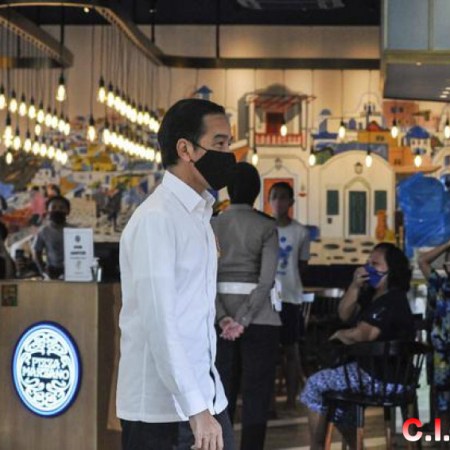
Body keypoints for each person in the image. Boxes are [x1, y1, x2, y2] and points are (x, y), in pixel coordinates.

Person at [116, 98, 237, 450]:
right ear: (185, 149)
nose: (228, 154)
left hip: (206, 395)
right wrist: (196, 409)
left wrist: (203, 404)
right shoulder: (157, 219)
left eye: (229, 144)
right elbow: (160, 323)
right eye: (219, 144)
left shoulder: (199, 215)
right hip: (162, 412)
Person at [300, 243, 415, 450]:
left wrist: (340, 335)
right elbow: (344, 314)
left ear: (392, 270)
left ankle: (317, 446)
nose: (369, 268)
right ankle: (355, 445)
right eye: (368, 263)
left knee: (314, 384)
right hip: (370, 373)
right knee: (341, 399)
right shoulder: (372, 295)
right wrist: (354, 286)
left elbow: (364, 334)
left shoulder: (392, 300)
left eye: (375, 264)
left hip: (383, 378)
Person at [212, 162, 280, 450]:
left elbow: (204, 279)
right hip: (261, 319)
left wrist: (224, 318)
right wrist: (243, 318)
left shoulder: (213, 224)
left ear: (228, 190)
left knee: (220, 391)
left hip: (219, 323)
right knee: (257, 394)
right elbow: (266, 281)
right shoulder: (267, 226)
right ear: (257, 192)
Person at [269, 181, 310, 413]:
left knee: (291, 350)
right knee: (269, 350)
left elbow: (303, 264)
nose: (278, 202)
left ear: (291, 202)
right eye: (274, 196)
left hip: (291, 297)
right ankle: (270, 402)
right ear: (269, 201)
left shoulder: (301, 232)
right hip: (266, 298)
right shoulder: (264, 228)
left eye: (283, 197)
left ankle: (292, 400)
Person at [418, 240, 450, 432]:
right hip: (441, 352)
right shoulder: (439, 285)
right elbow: (423, 261)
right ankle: (442, 434)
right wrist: (447, 245)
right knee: (441, 397)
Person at [32, 195, 72, 280]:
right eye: (53, 207)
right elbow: (36, 252)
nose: (57, 210)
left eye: (61, 208)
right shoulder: (43, 231)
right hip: (52, 272)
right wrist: (42, 271)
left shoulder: (74, 230)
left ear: (68, 211)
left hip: (72, 271)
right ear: (47, 211)